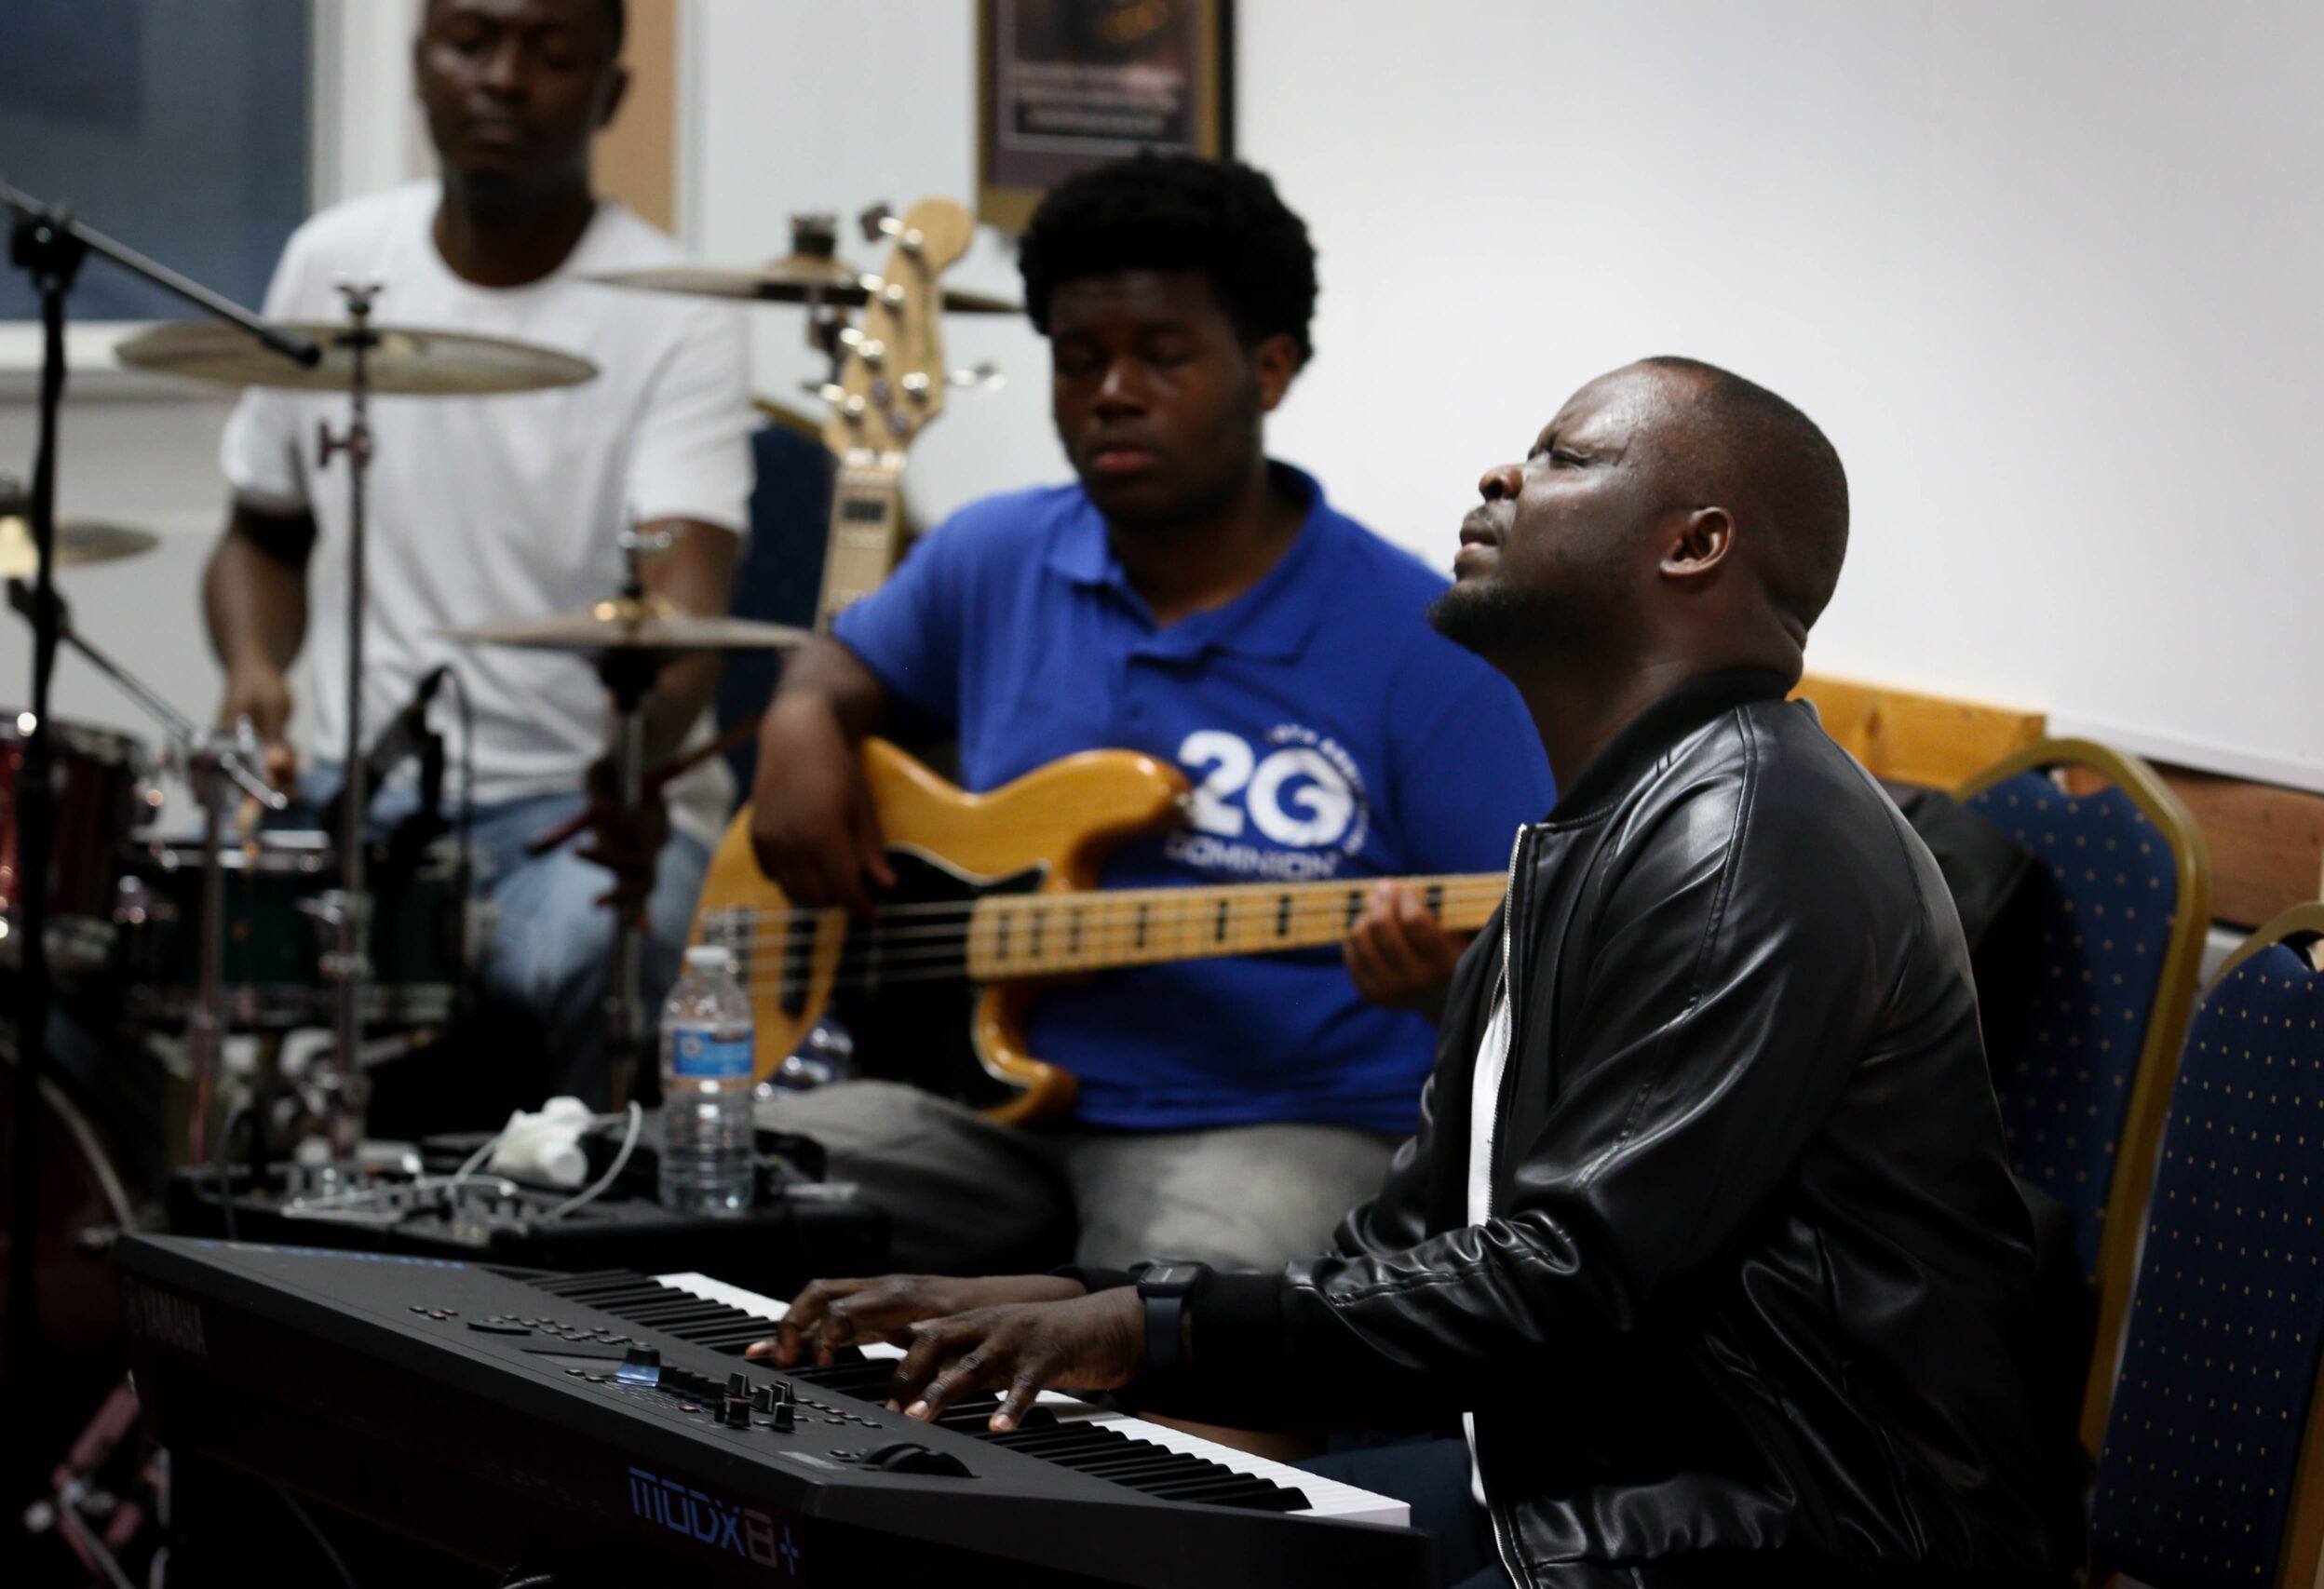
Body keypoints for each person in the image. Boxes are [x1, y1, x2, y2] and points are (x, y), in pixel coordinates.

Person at [757, 359, 2083, 1587]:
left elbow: (1566, 1274)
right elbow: (1407, 1249)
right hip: (1588, 1474)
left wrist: (1144, 1328)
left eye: (1563, 458)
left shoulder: (1746, 835)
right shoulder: (1591, 836)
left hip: (1806, 1523)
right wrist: (1077, 1313)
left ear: (1693, 544)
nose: (1501, 474)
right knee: (1086, 1526)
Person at [749, 155, 1554, 1273]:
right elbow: (838, 669)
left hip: (1279, 1122)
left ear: (1269, 369)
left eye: (1162, 356)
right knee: (659, 1195)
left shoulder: (1429, 647)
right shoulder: (992, 556)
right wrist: (798, 724)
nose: (1112, 393)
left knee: (1189, 1325)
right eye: (1078, 359)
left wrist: (1443, 994)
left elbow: (1535, 970)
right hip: (975, 1104)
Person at [205, 0, 752, 1107]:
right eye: (469, 43)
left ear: (611, 92)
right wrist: (255, 669)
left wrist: (632, 756)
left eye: (552, 55)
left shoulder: (675, 311)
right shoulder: (335, 263)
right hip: (361, 794)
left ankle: (595, 1213)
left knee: (596, 956)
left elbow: (683, 616)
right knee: (177, 944)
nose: (503, 79)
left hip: (569, 811)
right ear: (419, 64)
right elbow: (261, 535)